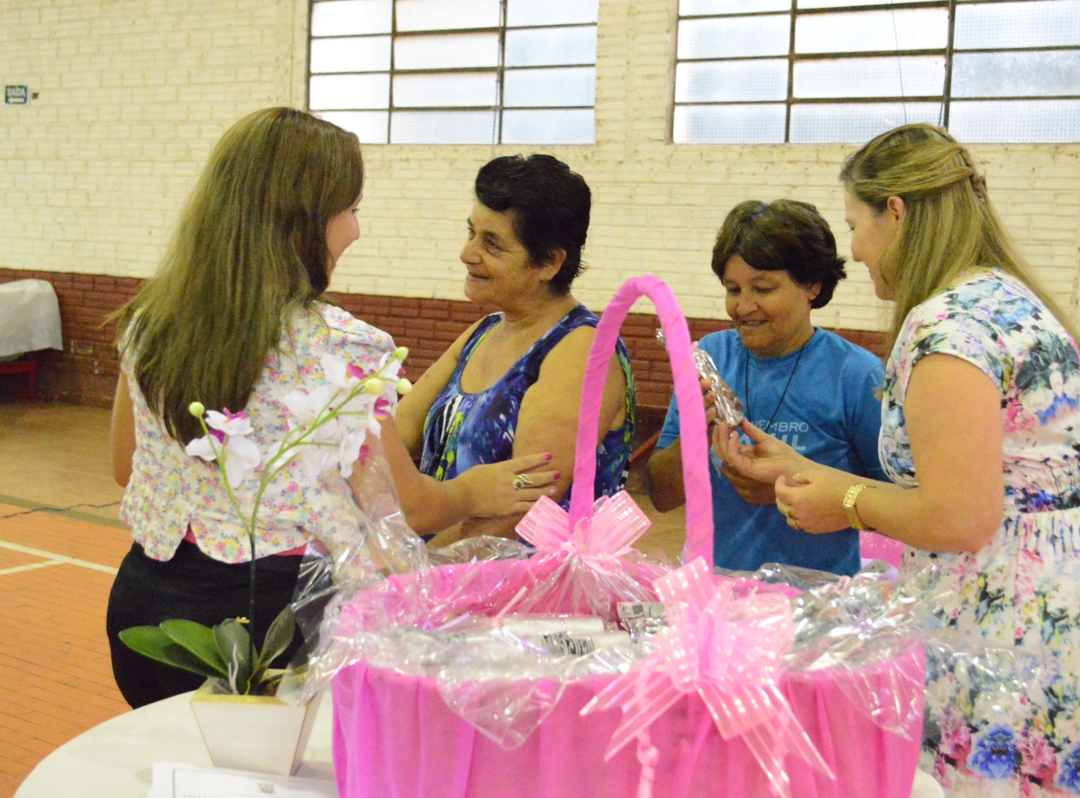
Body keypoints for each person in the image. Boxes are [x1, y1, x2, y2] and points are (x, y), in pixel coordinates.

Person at [715, 125, 1080, 796]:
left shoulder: (947, 329)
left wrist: (845, 504)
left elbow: (960, 516)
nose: (853, 251)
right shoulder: (1010, 297)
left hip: (1002, 630)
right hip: (1075, 611)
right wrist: (804, 468)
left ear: (897, 213)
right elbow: (977, 474)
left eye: (856, 225)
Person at [106, 108, 555, 708]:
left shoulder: (150, 322)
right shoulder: (336, 345)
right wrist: (471, 492)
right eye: (351, 211)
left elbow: (124, 465)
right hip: (258, 622)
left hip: (144, 600)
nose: (355, 231)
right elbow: (402, 507)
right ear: (304, 221)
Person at [394, 154, 637, 544]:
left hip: (519, 589)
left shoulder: (583, 349)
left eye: (492, 244)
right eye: (471, 232)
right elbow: (396, 434)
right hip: (438, 574)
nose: (467, 253)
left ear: (549, 263)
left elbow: (523, 507)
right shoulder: (484, 331)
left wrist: (414, 571)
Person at [646, 199, 887, 575]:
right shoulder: (709, 358)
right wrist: (695, 433)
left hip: (817, 600)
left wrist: (790, 490)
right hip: (715, 589)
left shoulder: (856, 375)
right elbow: (661, 496)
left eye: (763, 288)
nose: (743, 307)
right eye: (733, 289)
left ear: (812, 285)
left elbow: (894, 507)